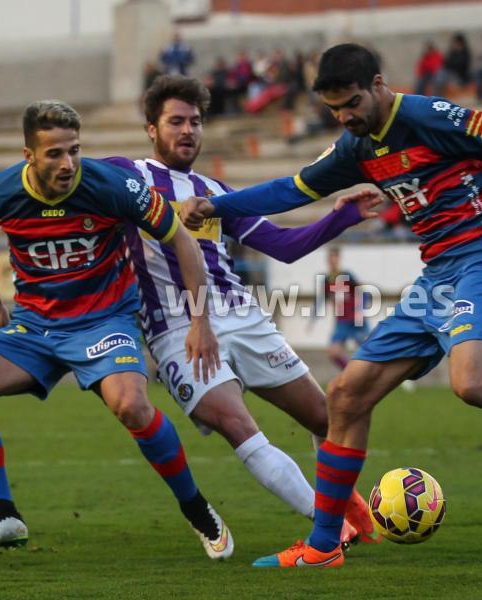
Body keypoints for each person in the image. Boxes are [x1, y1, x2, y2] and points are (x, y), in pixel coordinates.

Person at [178, 43, 482, 569]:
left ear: (380, 84)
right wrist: (217, 207)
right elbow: (290, 190)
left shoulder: (433, 117)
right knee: (345, 395)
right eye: (335, 109)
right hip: (437, 279)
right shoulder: (356, 146)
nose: (345, 116)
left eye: (352, 103)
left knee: (472, 383)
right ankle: (323, 547)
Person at [0, 100, 233, 559]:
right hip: (35, 326)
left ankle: (197, 508)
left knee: (132, 405)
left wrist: (200, 319)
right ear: (29, 157)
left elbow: (179, 236)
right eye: (55, 154)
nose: (68, 163)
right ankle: (4, 514)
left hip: (105, 320)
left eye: (74, 150)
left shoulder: (112, 185)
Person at [104, 75, 381, 546]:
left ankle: (347, 508)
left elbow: (283, 246)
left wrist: (341, 215)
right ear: (152, 128)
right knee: (238, 424)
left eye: (195, 121)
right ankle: (329, 528)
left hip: (246, 319)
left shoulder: (215, 190)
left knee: (325, 417)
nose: (188, 130)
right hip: (177, 328)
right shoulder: (126, 176)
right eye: (176, 121)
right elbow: (68, 172)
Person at [321, 246, 368, 370]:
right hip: (342, 321)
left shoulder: (347, 275)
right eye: (330, 258)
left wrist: (360, 310)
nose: (333, 261)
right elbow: (329, 300)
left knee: (369, 351)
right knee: (333, 352)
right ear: (327, 260)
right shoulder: (326, 281)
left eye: (335, 257)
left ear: (338, 259)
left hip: (356, 319)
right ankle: (350, 373)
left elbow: (362, 291)